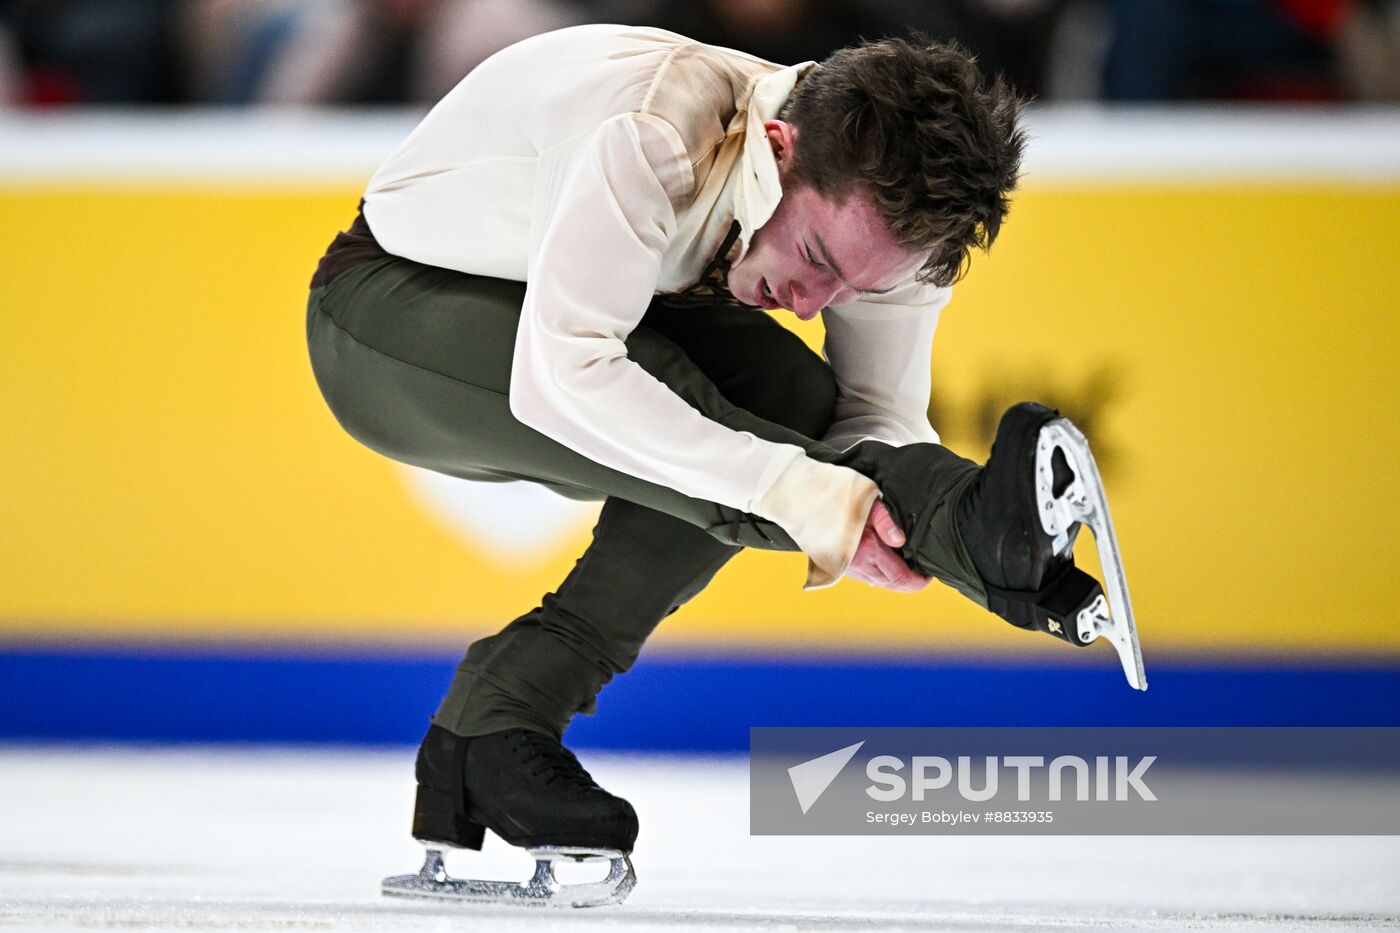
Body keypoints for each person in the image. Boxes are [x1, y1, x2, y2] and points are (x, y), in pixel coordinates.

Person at [307, 23, 1137, 906]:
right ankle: (980, 538)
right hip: (386, 312)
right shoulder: (657, 133)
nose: (816, 302)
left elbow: (869, 424)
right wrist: (799, 490)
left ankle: (498, 721)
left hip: (592, 317)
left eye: (857, 288)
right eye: (817, 258)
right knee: (726, 431)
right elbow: (569, 373)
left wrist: (973, 559)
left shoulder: (899, 240)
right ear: (778, 149)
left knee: (788, 395)